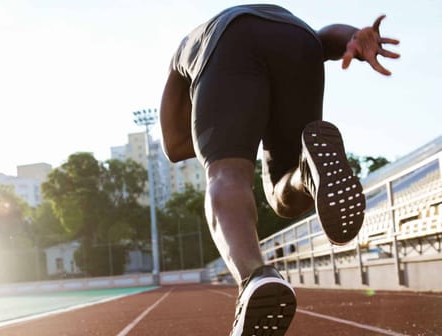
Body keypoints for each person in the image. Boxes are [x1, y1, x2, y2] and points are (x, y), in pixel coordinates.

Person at [159, 4, 399, 336]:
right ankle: (308, 173)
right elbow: (321, 40)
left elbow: (173, 146)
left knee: (224, 172)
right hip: (298, 38)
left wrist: (232, 135)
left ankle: (255, 277)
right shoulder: (281, 28)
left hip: (228, 42)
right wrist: (353, 37)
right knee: (284, 197)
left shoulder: (182, 57)